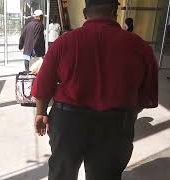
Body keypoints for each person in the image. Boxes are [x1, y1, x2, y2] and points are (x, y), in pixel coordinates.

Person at [31, 0, 158, 180]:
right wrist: (126, 114)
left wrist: (41, 113)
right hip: (115, 125)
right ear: (115, 11)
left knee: (62, 174)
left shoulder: (64, 42)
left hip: (68, 124)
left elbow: (43, 84)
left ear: (85, 14)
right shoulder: (140, 47)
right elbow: (147, 94)